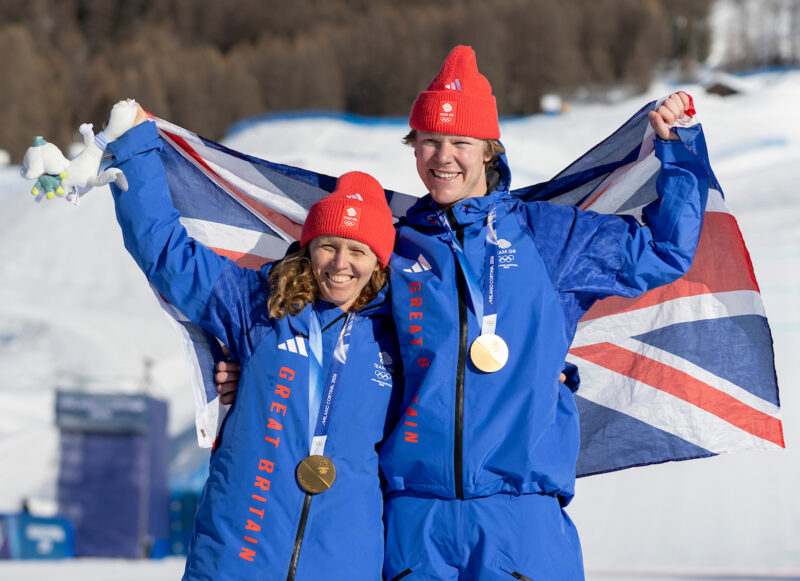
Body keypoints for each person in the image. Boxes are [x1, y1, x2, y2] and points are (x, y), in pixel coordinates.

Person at [378, 46, 712, 580]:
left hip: (521, 518)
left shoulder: (548, 236)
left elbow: (664, 251)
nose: (442, 157)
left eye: (460, 142)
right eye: (428, 141)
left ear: (489, 151)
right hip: (413, 523)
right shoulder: (393, 247)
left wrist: (677, 150)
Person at [105, 101, 402, 580]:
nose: (340, 263)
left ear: (379, 261)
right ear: (308, 247)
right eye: (328, 245)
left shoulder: (400, 336)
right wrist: (137, 148)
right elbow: (164, 252)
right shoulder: (258, 305)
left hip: (343, 563)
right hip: (237, 555)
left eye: (357, 250)